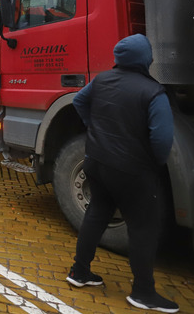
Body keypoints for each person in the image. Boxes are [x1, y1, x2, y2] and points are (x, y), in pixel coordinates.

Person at [65, 34, 179, 313]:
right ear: (145, 58)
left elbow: (79, 101)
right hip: (131, 171)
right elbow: (162, 139)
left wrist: (94, 127)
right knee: (143, 227)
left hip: (96, 162)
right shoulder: (153, 91)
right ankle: (142, 292)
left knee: (96, 214)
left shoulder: (102, 79)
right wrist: (156, 161)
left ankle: (79, 272)